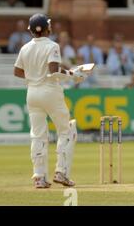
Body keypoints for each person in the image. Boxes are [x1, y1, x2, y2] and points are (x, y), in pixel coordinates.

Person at [13, 14, 87, 188]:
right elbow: (53, 70)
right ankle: (61, 172)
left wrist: (33, 77)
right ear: (48, 28)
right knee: (67, 130)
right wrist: (73, 75)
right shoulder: (52, 46)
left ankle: (39, 177)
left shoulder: (25, 48)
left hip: (32, 93)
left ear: (31, 30)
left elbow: (17, 72)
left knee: (38, 134)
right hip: (50, 91)